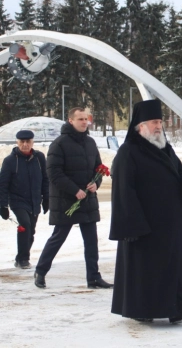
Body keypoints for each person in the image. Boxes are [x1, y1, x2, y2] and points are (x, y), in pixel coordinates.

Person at [109, 99, 182, 323]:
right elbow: (123, 192)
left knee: (172, 267)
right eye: (154, 122)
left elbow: (180, 175)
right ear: (140, 126)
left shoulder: (166, 149)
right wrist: (132, 225)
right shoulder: (128, 152)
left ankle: (177, 308)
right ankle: (143, 311)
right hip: (145, 227)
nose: (159, 126)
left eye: (160, 121)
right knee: (146, 271)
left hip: (170, 225)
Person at [34, 107, 112, 290]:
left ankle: (93, 277)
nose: (84, 122)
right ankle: (40, 271)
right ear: (70, 121)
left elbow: (98, 167)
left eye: (86, 119)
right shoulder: (59, 144)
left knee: (91, 240)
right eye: (80, 119)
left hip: (87, 199)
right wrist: (74, 190)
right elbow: (53, 172)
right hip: (66, 200)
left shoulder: (91, 143)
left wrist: (96, 182)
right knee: (59, 237)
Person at [0, 130, 49, 269]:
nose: (25, 144)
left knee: (31, 231)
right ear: (17, 142)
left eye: (28, 142)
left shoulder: (39, 158)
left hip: (34, 200)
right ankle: (23, 259)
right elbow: (3, 184)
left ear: (32, 142)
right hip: (17, 200)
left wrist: (46, 198)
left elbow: (45, 179)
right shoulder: (10, 161)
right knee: (25, 226)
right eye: (22, 142)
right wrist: (3, 205)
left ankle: (20, 257)